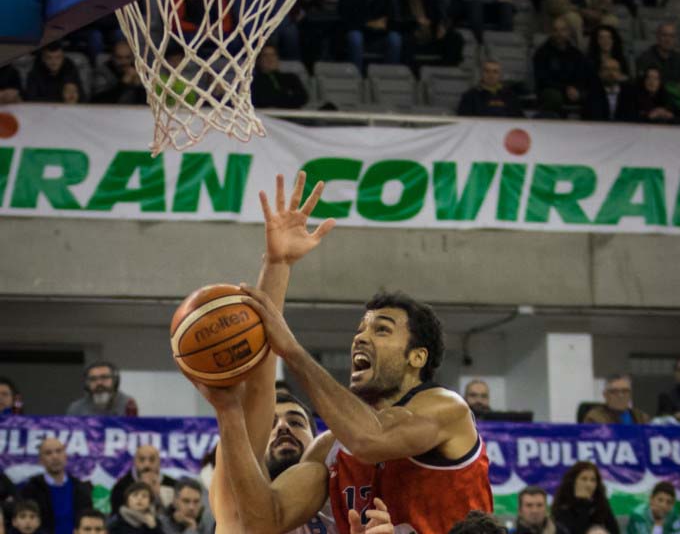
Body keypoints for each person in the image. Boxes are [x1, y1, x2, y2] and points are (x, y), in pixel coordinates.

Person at [194, 174, 493, 533]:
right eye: (359, 330)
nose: (361, 339)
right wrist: (278, 265)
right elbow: (262, 522)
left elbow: (371, 438)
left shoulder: (447, 409)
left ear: (418, 357)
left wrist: (292, 350)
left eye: (381, 329)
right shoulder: (330, 449)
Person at [20, 438, 92, 534]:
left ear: (65, 456)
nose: (55, 457)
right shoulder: (31, 490)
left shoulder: (81, 489)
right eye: (48, 453)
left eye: (59, 451)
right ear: (41, 460)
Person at [534, 17, 592, 116]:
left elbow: (582, 75)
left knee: (594, 95)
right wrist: (565, 88)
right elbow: (543, 79)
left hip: (573, 90)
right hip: (551, 90)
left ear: (569, 32)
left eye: (563, 30)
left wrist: (576, 89)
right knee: (554, 97)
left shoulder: (576, 54)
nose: (559, 34)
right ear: (551, 32)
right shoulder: (542, 53)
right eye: (555, 30)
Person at [552, 461, 619, 534]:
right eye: (584, 479)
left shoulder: (601, 505)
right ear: (573, 482)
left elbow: (614, 531)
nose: (588, 484)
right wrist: (582, 502)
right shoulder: (562, 507)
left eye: (593, 480)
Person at [338, 0, 403, 72]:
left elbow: (393, 22)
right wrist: (369, 24)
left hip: (379, 36)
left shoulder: (387, 0)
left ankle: (390, 76)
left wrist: (384, 26)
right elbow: (346, 19)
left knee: (394, 39)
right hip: (357, 33)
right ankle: (356, 76)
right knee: (355, 38)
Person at [110, 445, 176, 516]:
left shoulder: (172, 485)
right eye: (142, 460)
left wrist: (158, 496)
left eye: (152, 460)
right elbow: (117, 515)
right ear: (134, 462)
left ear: (159, 462)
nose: (147, 464)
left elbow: (175, 515)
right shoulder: (121, 487)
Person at [66, 361, 138, 417]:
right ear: (87, 384)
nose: (99, 383)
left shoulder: (127, 404)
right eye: (93, 379)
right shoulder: (76, 408)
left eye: (104, 377)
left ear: (115, 381)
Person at [457, 60, 524, 117]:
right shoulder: (469, 95)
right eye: (487, 71)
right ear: (481, 73)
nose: (491, 75)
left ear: (500, 75)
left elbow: (520, 119)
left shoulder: (511, 96)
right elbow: (464, 120)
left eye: (495, 72)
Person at [635, 23, 680, 105]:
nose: (668, 39)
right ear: (657, 37)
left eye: (672, 36)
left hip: (674, 102)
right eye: (664, 35)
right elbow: (642, 86)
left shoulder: (678, 58)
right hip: (652, 102)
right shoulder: (645, 59)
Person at [251, 45, 308, 109]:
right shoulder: (254, 81)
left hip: (292, 116)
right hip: (266, 117)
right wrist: (287, 96)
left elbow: (303, 98)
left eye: (273, 55)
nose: (270, 59)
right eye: (265, 55)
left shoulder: (291, 77)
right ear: (259, 60)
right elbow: (260, 101)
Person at [92, 40, 146, 105]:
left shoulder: (139, 71)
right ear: (112, 57)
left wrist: (139, 86)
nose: (124, 62)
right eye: (119, 58)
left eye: (127, 58)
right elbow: (98, 102)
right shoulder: (103, 72)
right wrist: (123, 84)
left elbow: (148, 104)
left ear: (132, 58)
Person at [583, 374, 650, 424]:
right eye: (614, 391)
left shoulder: (642, 417)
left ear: (630, 394)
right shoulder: (595, 417)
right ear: (605, 395)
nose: (620, 395)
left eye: (625, 391)